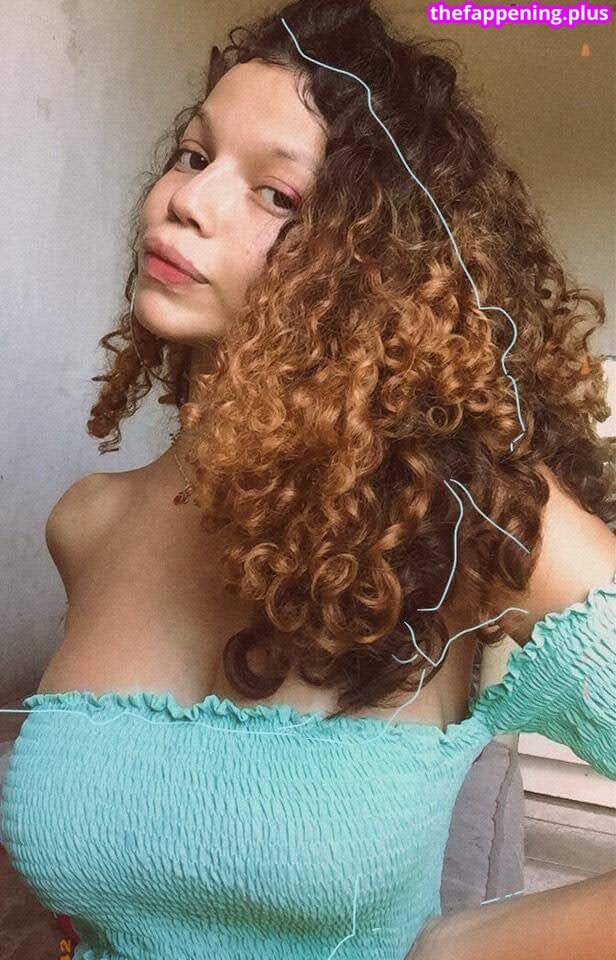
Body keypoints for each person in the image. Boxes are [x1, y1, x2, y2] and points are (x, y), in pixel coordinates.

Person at [0, 2, 614, 958]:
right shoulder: (87, 524)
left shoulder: (465, 521)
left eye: (277, 194)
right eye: (194, 155)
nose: (187, 201)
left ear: (377, 268)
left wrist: (452, 949)